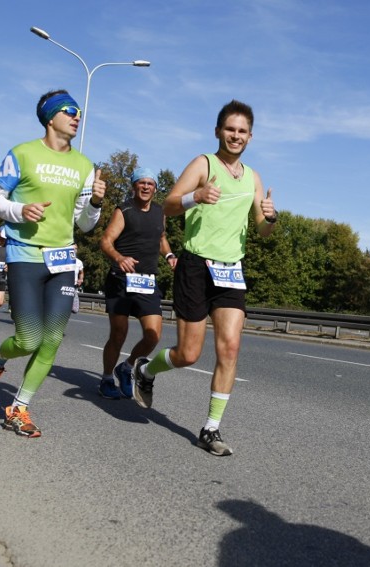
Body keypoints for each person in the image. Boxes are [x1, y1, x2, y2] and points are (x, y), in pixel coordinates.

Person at [131, 100, 278, 456]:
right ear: (218, 131)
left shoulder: (254, 178)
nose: (236, 136)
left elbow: (262, 231)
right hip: (196, 266)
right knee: (188, 353)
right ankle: (146, 370)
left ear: (251, 136)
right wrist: (195, 197)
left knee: (230, 347)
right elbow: (168, 204)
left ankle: (210, 429)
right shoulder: (203, 163)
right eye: (230, 129)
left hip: (231, 270)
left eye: (242, 131)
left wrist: (270, 217)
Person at [0, 89, 105, 438]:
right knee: (29, 339)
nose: (77, 116)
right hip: (25, 254)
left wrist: (95, 203)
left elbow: (86, 224)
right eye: (69, 110)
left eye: (78, 112)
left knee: (52, 340)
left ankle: (19, 408)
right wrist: (19, 211)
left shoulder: (85, 166)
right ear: (50, 117)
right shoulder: (23, 153)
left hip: (62, 257)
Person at [98, 167, 175, 400]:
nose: (145, 187)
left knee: (153, 335)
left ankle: (127, 365)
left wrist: (170, 255)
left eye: (150, 184)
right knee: (119, 334)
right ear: (134, 186)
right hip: (121, 280)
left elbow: (161, 238)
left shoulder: (160, 212)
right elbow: (106, 241)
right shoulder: (124, 210)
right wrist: (119, 258)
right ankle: (107, 378)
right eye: (141, 183)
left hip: (147, 281)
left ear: (155, 188)